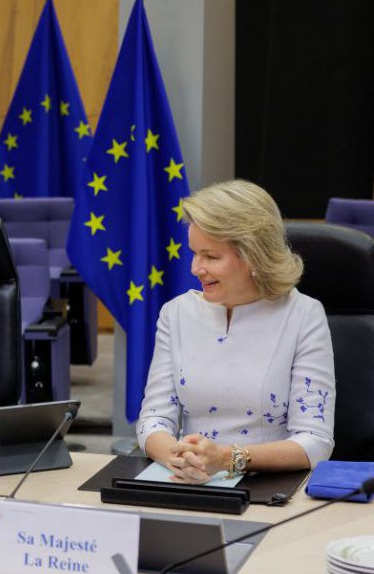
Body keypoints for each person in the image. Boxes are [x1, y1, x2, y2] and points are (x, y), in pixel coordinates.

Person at [136, 179, 335, 484]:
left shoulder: (303, 316)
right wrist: (182, 459)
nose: (195, 268)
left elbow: (314, 441)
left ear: (254, 255)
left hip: (269, 488)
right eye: (194, 253)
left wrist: (227, 459)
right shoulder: (175, 314)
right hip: (186, 482)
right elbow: (153, 420)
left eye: (211, 256)